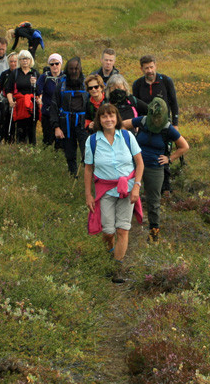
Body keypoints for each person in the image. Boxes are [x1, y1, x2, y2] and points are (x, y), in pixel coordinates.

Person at [85, 104, 144, 284]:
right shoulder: (93, 141)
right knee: (108, 231)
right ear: (99, 120)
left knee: (122, 229)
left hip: (128, 189)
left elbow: (139, 164)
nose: (108, 120)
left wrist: (136, 187)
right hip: (105, 191)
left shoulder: (127, 136)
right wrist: (88, 195)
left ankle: (117, 267)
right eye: (104, 117)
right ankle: (110, 250)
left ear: (117, 118)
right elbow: (88, 169)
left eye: (111, 116)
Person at [124, 97, 189, 243]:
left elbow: (184, 146)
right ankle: (127, 227)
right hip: (135, 165)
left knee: (153, 201)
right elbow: (122, 125)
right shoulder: (142, 120)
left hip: (155, 168)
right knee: (129, 194)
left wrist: (169, 159)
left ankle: (154, 234)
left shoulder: (167, 128)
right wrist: (126, 142)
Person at [132, 54, 181, 195]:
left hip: (164, 124)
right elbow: (135, 106)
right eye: (146, 68)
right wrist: (136, 123)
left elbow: (174, 103)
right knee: (143, 152)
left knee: (164, 152)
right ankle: (142, 183)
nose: (150, 70)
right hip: (144, 124)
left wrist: (175, 124)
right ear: (141, 69)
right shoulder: (137, 84)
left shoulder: (166, 81)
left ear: (155, 66)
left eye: (151, 67)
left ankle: (165, 187)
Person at [49, 57, 91, 178]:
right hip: (66, 124)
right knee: (69, 152)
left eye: (76, 69)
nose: (74, 71)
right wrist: (56, 127)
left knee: (87, 152)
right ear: (67, 69)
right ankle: (73, 176)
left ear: (80, 69)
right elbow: (54, 107)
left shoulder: (86, 84)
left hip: (84, 124)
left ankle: (89, 177)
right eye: (71, 68)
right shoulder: (61, 85)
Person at [3, 50, 39, 145]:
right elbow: (8, 89)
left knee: (31, 127)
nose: (25, 61)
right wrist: (11, 101)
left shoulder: (35, 73)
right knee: (20, 127)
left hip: (31, 104)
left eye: (27, 58)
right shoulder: (15, 73)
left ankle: (32, 147)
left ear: (30, 60)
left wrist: (35, 84)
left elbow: (39, 90)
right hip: (19, 103)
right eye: (23, 59)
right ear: (19, 60)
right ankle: (20, 147)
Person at [35, 53, 65, 147]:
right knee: (47, 139)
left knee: (61, 140)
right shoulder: (44, 77)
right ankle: (47, 157)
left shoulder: (65, 77)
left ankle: (58, 157)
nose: (54, 66)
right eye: (52, 64)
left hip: (62, 113)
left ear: (60, 64)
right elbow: (37, 91)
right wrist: (34, 86)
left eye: (57, 63)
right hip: (47, 112)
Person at [0, 53, 19, 143]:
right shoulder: (4, 74)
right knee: (5, 119)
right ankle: (6, 138)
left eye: (15, 61)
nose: (13, 63)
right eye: (11, 61)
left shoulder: (20, 73)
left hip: (18, 99)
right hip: (6, 100)